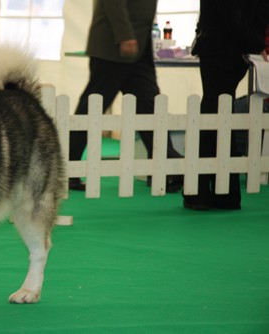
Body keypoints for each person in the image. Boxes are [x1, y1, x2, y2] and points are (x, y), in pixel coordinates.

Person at [69, 0, 184, 193]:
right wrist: (125, 35)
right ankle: (68, 169)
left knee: (152, 107)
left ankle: (165, 168)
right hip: (113, 48)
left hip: (139, 51)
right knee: (92, 109)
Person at [183, 0, 269, 210]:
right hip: (238, 49)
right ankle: (226, 193)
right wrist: (258, 44)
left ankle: (201, 193)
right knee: (221, 115)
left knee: (212, 116)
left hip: (220, 47)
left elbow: (231, 15)